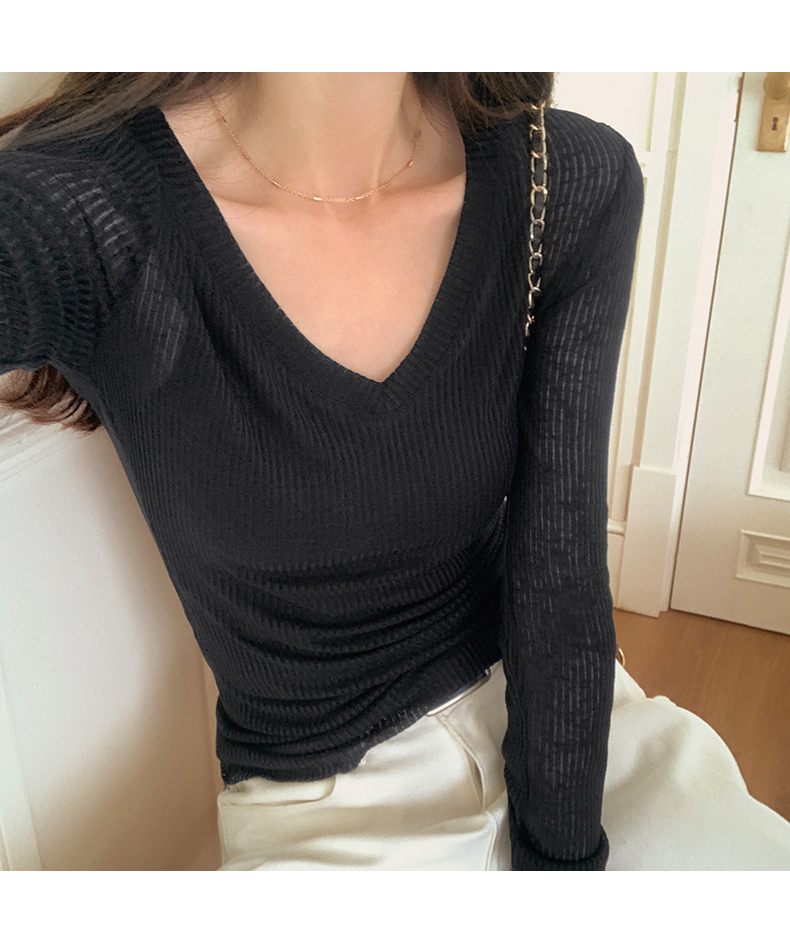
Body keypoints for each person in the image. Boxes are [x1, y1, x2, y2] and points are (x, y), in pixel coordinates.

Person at [1, 71, 641, 870]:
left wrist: (565, 868)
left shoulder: (563, 173)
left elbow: (560, 565)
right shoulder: (79, 208)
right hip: (326, 797)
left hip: (569, 725)